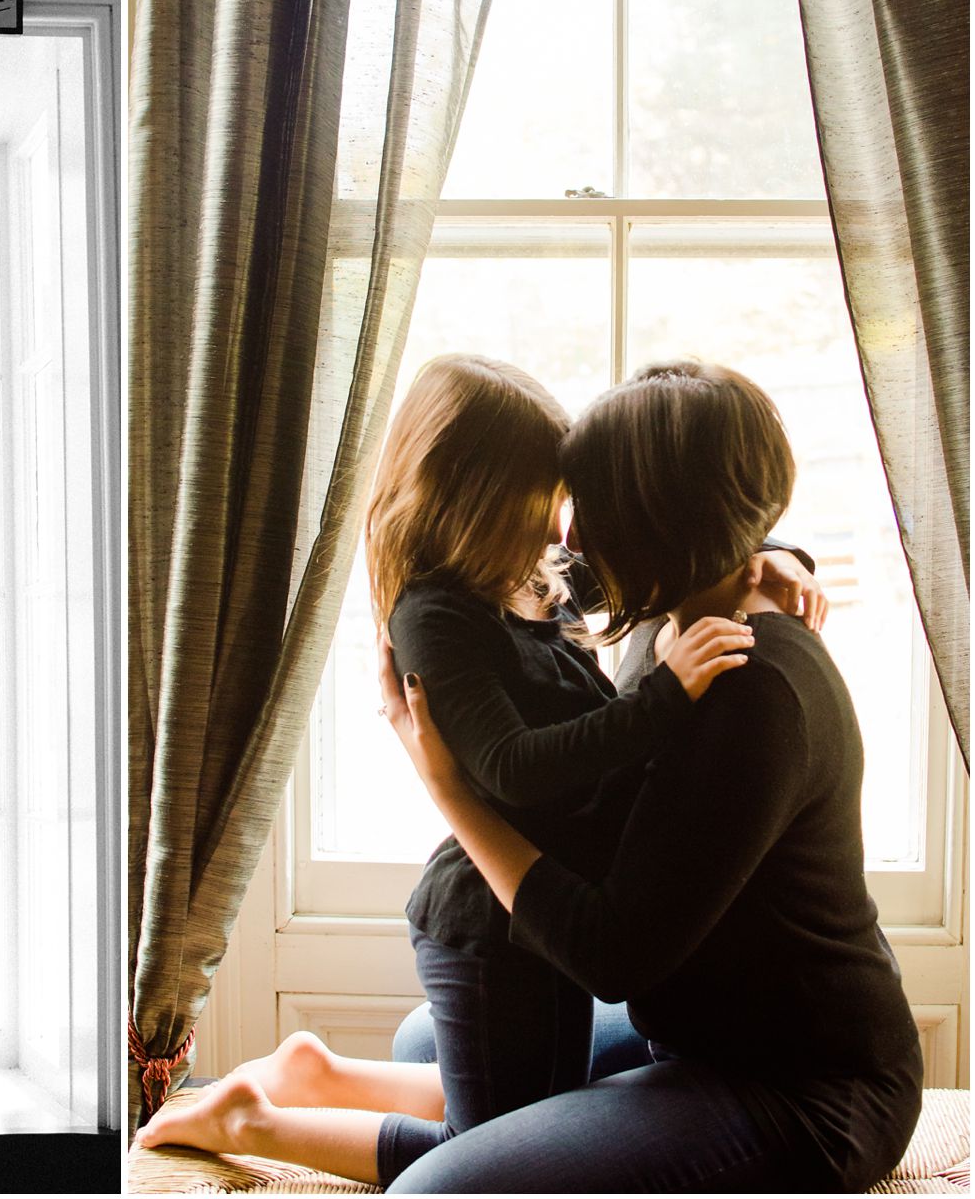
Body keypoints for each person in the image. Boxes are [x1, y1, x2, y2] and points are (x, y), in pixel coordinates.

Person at [135, 357, 830, 1183]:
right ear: (471, 502)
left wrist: (767, 550)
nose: (566, 530)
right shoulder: (434, 616)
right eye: (543, 501)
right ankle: (254, 1120)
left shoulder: (531, 578)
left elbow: (678, 535)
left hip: (539, 915)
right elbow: (512, 767)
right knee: (475, 1149)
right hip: (492, 924)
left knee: (526, 1103)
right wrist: (664, 698)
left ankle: (319, 1073)